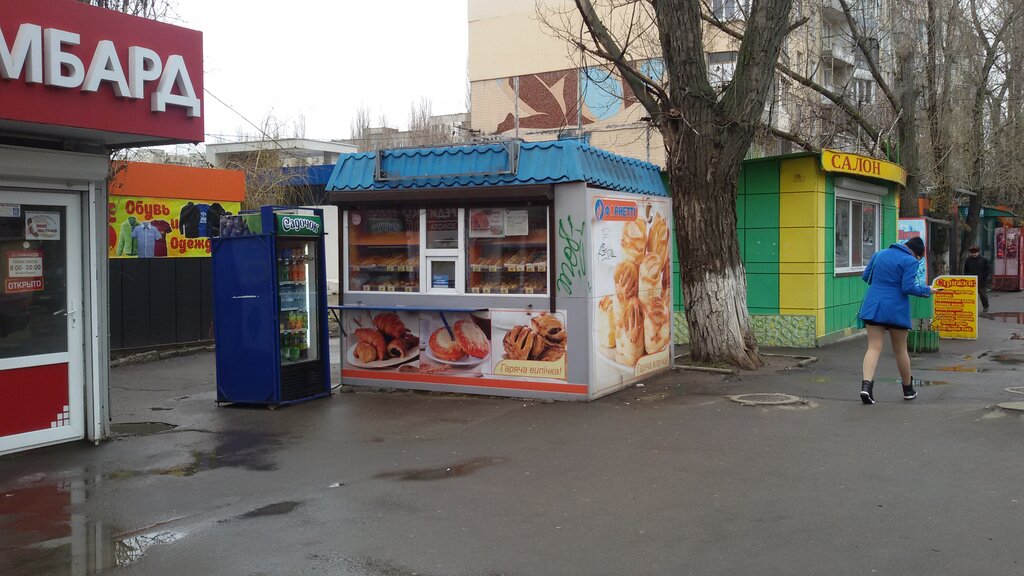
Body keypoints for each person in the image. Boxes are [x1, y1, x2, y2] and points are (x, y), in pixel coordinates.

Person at [858, 236, 937, 404]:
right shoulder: (910, 261)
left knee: (873, 347)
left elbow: (866, 277)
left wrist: (881, 285)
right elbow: (907, 287)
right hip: (896, 309)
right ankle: (908, 389)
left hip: (874, 306)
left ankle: (866, 387)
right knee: (900, 350)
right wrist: (927, 290)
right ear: (916, 254)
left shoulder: (880, 254)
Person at [963, 245, 992, 313]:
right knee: (970, 295)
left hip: (981, 281)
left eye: (975, 252)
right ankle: (970, 307)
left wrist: (984, 277)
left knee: (983, 295)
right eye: (972, 252)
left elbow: (987, 270)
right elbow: (966, 269)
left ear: (978, 252)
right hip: (971, 280)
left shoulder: (984, 260)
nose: (974, 254)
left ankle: (985, 306)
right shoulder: (968, 260)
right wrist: (967, 277)